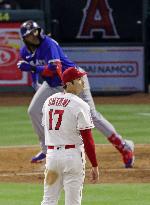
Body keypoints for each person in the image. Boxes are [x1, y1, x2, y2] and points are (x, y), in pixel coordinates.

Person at [17, 20, 134, 168]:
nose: (33, 36)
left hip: (75, 81)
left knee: (91, 116)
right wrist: (35, 82)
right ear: (25, 39)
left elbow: (54, 67)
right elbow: (32, 67)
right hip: (53, 84)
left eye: (34, 32)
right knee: (33, 111)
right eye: (29, 35)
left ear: (39, 31)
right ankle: (46, 150)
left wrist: (33, 69)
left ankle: (124, 147)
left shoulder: (49, 43)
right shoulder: (25, 52)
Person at [40, 67, 99, 205]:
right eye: (79, 79)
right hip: (72, 159)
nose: (82, 82)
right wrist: (94, 164)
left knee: (48, 200)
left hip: (52, 158)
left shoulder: (49, 101)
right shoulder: (80, 104)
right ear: (69, 83)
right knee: (73, 202)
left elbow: (47, 127)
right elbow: (87, 139)